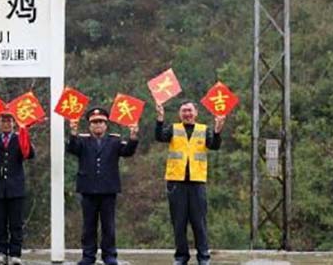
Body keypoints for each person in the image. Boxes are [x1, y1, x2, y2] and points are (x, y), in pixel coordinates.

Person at [155, 100, 226, 265]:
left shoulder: (204, 130)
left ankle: (203, 257)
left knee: (199, 222)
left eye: (189, 111)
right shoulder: (174, 128)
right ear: (180, 114)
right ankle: (181, 257)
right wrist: (160, 119)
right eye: (184, 111)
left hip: (197, 182)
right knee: (178, 222)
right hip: (176, 182)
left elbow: (214, 145)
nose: (187, 114)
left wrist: (217, 130)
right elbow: (159, 137)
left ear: (196, 113)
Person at [67, 107, 139, 265]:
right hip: (88, 189)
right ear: (89, 125)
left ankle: (109, 255)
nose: (97, 125)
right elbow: (72, 149)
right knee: (88, 226)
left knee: (108, 225)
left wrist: (133, 136)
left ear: (106, 125)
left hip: (108, 189)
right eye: (94, 122)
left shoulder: (114, 140)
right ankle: (88, 255)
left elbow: (127, 152)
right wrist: (72, 132)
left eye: (101, 122)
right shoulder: (82, 141)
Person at [0, 110, 35, 265]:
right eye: (3, 121)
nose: (6, 124)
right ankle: (1, 253)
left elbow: (29, 154)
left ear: (13, 123)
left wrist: (25, 133)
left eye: (9, 121)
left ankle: (15, 254)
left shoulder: (19, 138)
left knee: (16, 224)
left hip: (15, 187)